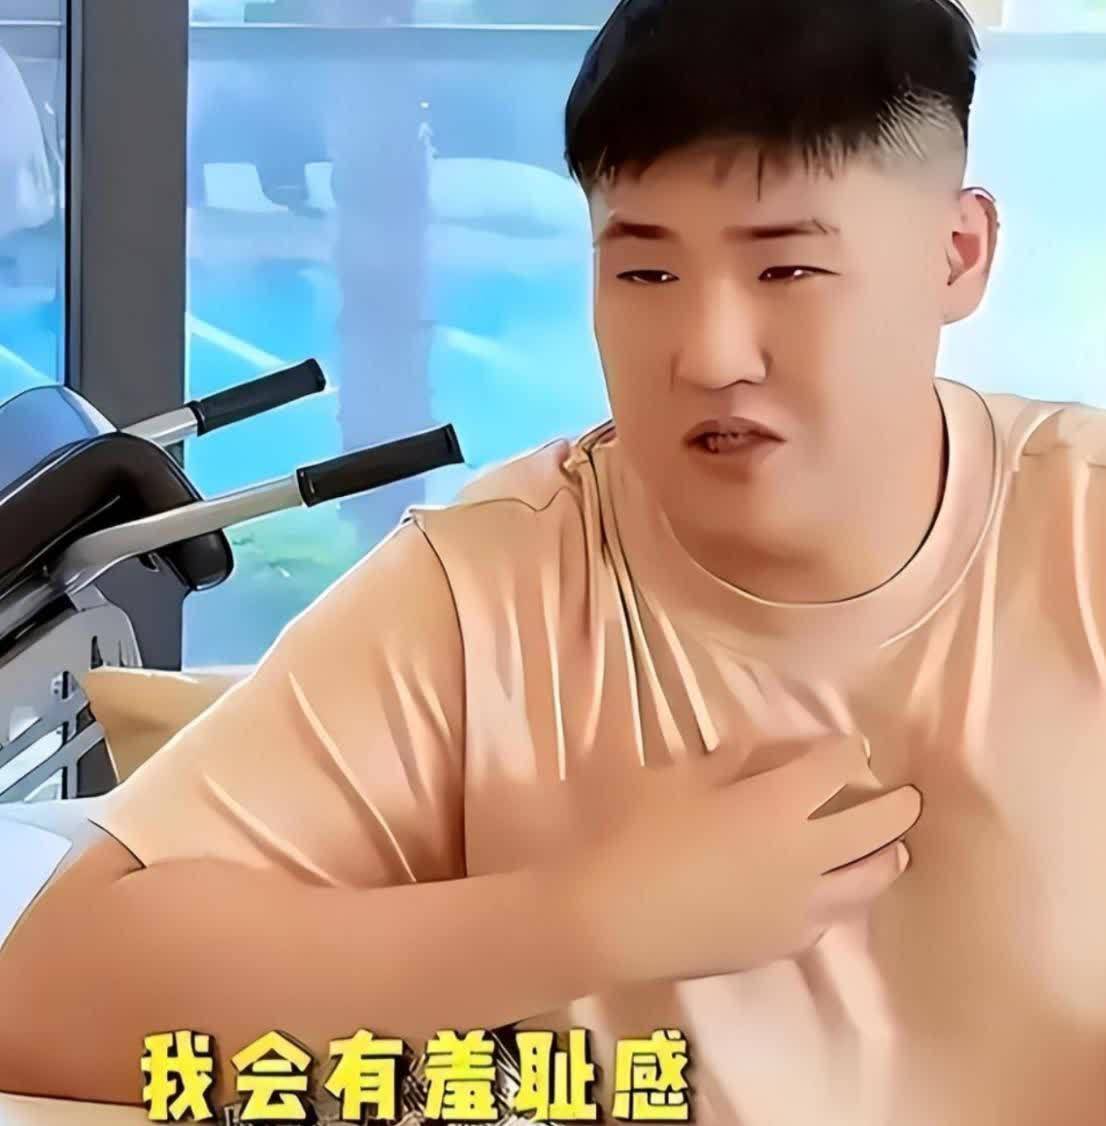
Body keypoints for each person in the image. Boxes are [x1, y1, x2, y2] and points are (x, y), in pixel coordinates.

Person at [1, 1, 1103, 1121]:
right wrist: (596, 917)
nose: (710, 355)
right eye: (646, 275)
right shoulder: (489, 588)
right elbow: (45, 997)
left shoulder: (1082, 533)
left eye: (786, 271)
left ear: (957, 254)